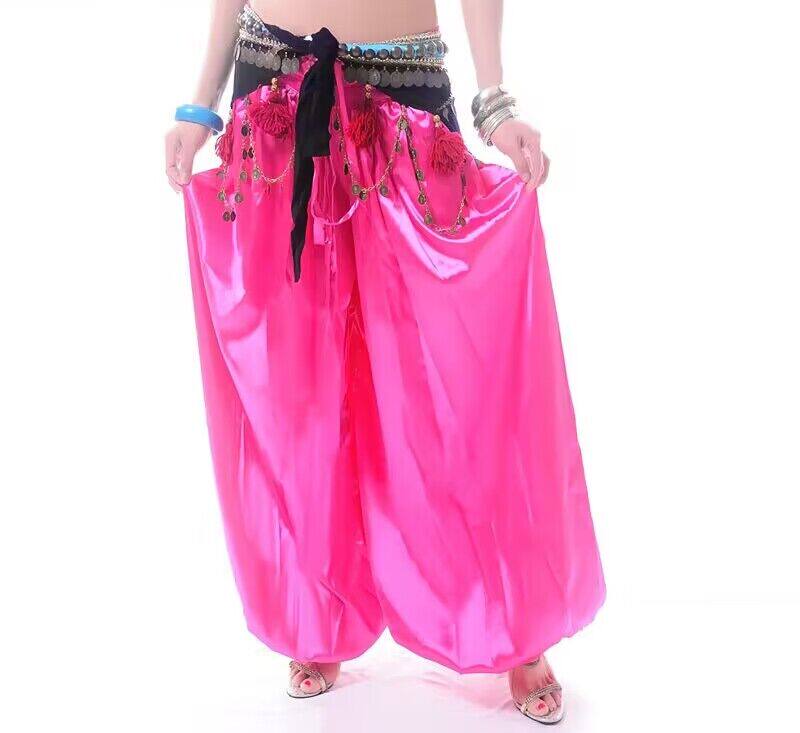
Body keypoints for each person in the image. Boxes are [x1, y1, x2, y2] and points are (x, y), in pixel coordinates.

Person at [165, 0, 605, 724]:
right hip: (272, 85)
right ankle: (318, 613)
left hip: (404, 92)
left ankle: (510, 627)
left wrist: (494, 100)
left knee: (451, 387)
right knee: (300, 388)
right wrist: (200, 103)